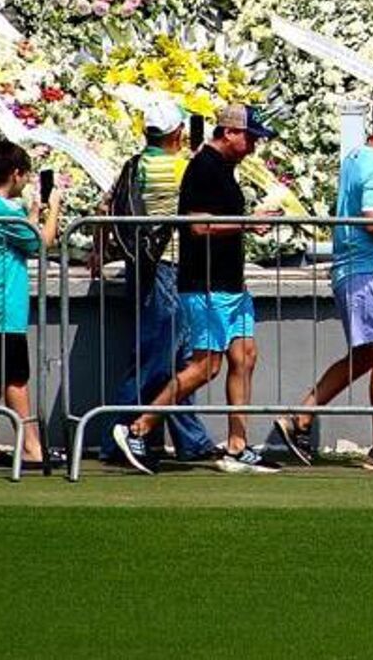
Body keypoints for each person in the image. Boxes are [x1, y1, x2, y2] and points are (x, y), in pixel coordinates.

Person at [113, 105, 281, 476]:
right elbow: (197, 227)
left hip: (228, 281)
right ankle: (139, 426)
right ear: (228, 133)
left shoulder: (220, 168)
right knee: (207, 365)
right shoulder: (204, 167)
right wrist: (247, 224)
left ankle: (237, 445)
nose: (253, 145)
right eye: (249, 137)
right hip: (206, 283)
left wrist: (246, 224)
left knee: (245, 356)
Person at [275, 94, 373, 472]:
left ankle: (302, 414)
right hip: (370, 271)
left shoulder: (356, 157)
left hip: (354, 269)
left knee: (366, 355)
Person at [96, 97, 221, 467]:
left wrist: (99, 249)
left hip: (143, 264)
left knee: (178, 356)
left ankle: (192, 440)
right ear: (178, 131)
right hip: (169, 265)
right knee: (159, 357)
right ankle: (117, 433)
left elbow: (107, 206)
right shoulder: (183, 167)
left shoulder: (135, 165)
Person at [0, 140, 63, 468]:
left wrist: (34, 212)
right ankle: (31, 446)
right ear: (15, 173)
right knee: (15, 377)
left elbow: (23, 232)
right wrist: (54, 207)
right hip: (1, 302)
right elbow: (41, 242)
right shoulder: (0, 208)